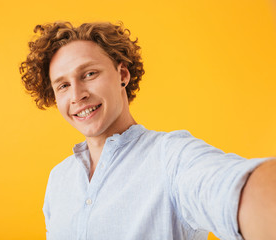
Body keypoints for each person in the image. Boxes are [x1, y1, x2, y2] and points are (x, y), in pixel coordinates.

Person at [20, 22, 276, 240]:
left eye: (89, 74)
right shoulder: (59, 180)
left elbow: (233, 189)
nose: (77, 95)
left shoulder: (172, 157)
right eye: (63, 85)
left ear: (122, 74)